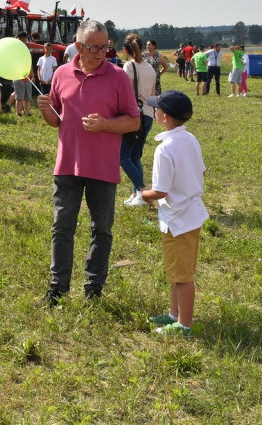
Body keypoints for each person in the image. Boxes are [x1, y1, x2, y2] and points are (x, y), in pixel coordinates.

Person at [36, 20, 140, 306]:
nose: (101, 53)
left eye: (105, 46)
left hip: (102, 167)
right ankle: (58, 288)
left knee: (101, 229)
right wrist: (45, 110)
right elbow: (56, 121)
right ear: (78, 46)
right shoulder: (61, 74)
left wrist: (105, 124)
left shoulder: (118, 76)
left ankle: (94, 288)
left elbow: (133, 120)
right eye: (94, 47)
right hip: (67, 165)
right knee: (62, 227)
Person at [141, 90, 207, 338]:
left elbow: (160, 191)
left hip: (178, 218)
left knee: (183, 275)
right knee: (176, 270)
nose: (154, 110)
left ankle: (185, 325)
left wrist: (142, 196)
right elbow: (201, 172)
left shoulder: (164, 149)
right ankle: (174, 314)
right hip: (189, 215)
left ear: (163, 116)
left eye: (156, 108)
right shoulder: (190, 139)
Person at [119, 34, 157, 208]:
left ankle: (142, 190)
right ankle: (136, 194)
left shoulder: (129, 66)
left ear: (125, 50)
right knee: (135, 155)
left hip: (134, 115)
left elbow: (126, 93)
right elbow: (153, 93)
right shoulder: (149, 67)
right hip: (148, 113)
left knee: (123, 156)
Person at [13, 31, 33, 116]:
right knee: (19, 98)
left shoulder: (27, 49)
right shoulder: (14, 50)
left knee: (28, 98)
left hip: (27, 77)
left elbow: (30, 63)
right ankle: (18, 113)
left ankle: (28, 113)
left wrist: (32, 75)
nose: (24, 41)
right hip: (18, 77)